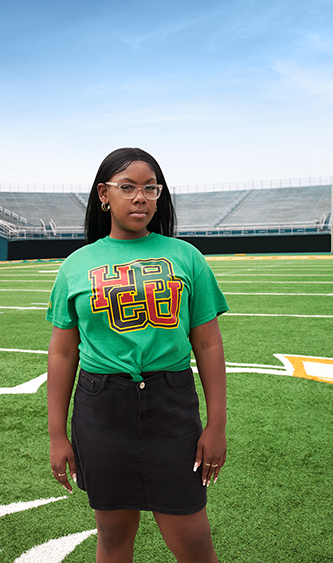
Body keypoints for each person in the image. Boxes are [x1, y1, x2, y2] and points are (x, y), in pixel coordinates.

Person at [46, 147, 229, 563]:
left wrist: (216, 424)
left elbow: (208, 344)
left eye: (151, 188)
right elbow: (62, 352)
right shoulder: (76, 265)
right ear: (103, 195)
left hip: (171, 404)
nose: (141, 197)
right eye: (127, 187)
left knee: (195, 540)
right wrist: (58, 434)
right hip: (102, 408)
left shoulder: (186, 257)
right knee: (112, 535)